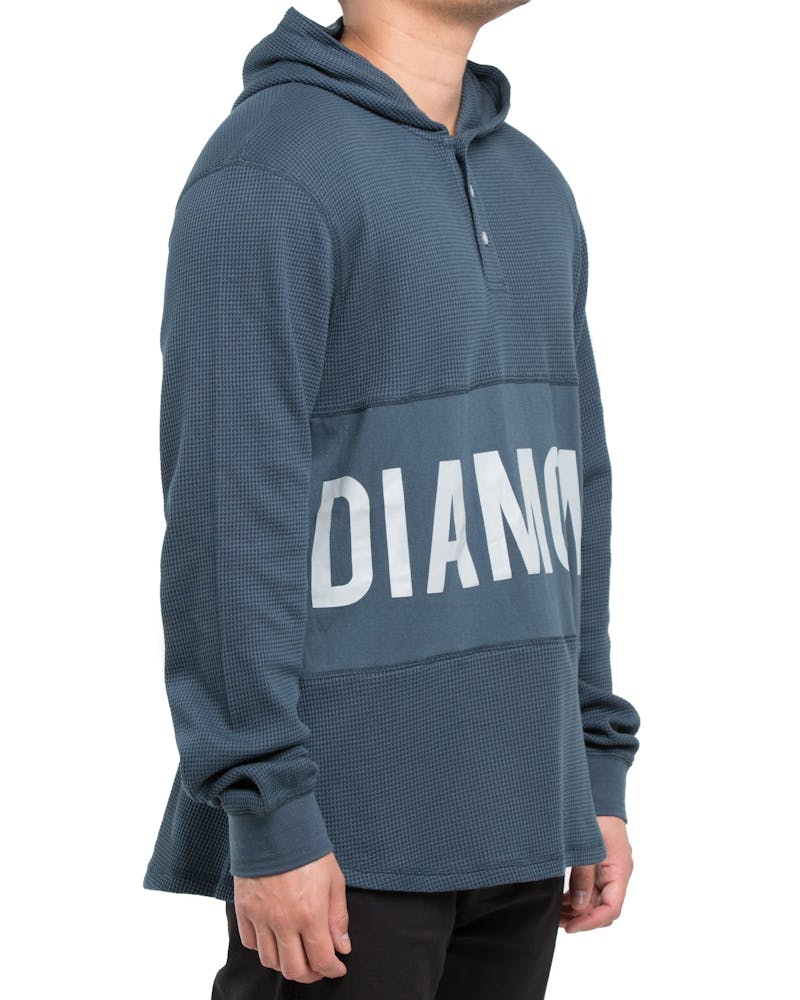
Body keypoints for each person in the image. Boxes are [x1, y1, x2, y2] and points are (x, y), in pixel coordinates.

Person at [142, 3, 642, 997]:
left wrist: (592, 765)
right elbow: (227, 515)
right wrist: (268, 807)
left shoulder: (534, 185)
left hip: (525, 811)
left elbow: (570, 481)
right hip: (344, 834)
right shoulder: (269, 174)